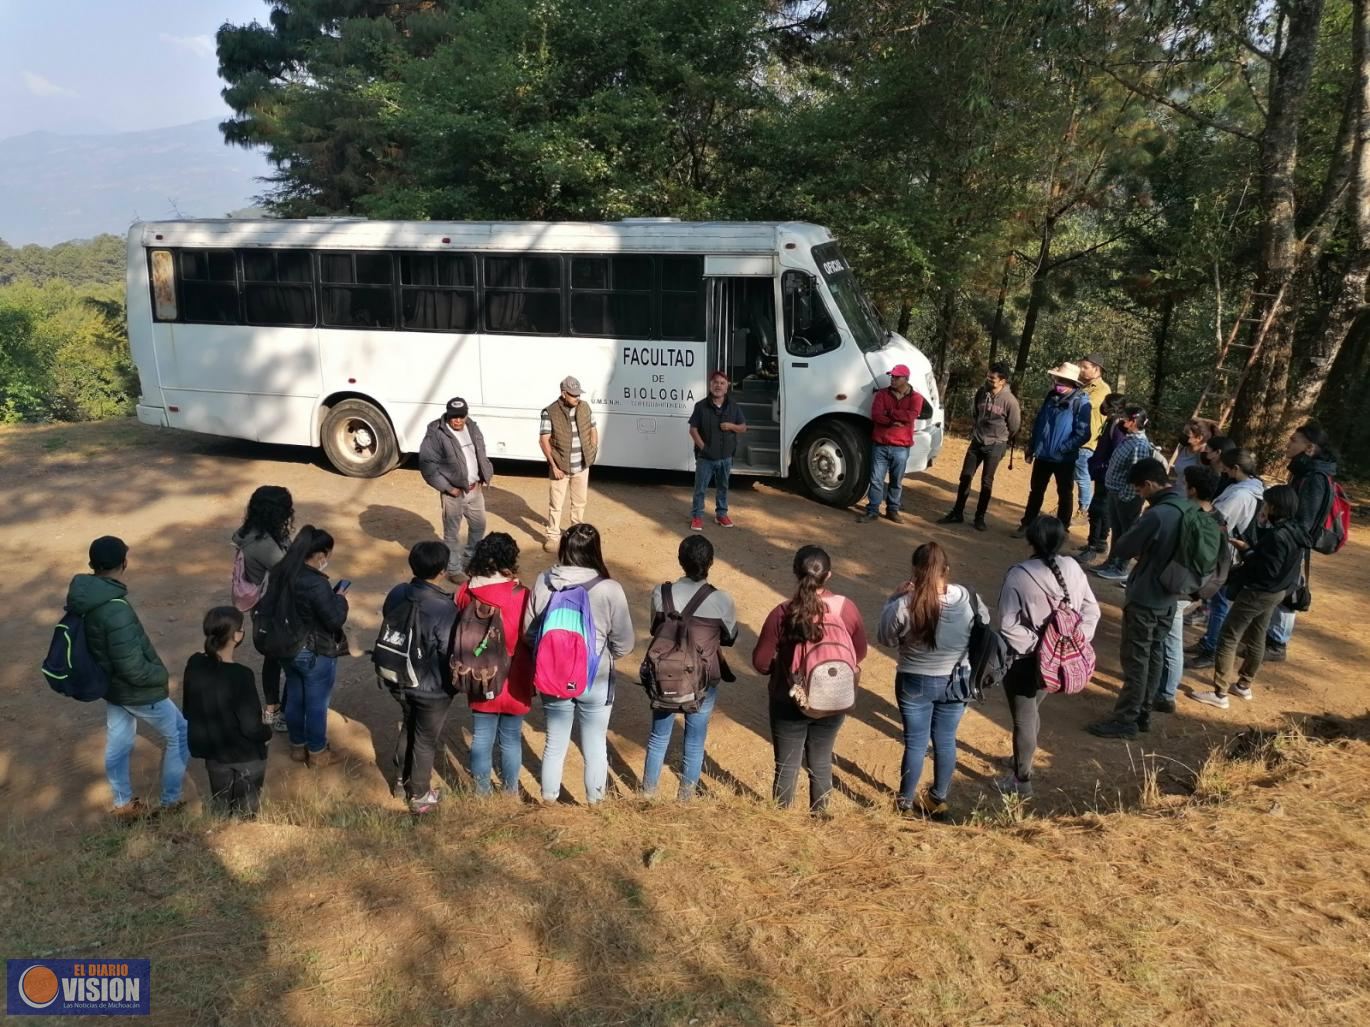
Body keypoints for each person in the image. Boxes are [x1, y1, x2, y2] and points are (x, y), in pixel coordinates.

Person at [68, 536, 187, 818]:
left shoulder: (86, 598)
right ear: (124, 563)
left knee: (119, 741)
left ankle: (123, 803)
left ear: (92, 564)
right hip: (134, 688)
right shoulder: (115, 609)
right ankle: (171, 801)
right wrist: (158, 676)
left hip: (111, 685)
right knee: (181, 733)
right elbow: (132, 666)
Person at [752, 545, 868, 813]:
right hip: (833, 696)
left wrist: (782, 668)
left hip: (788, 698)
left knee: (787, 764)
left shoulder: (782, 613)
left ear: (795, 572)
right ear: (828, 576)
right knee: (821, 759)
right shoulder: (845, 608)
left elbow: (760, 662)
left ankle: (781, 817)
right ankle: (821, 813)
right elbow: (858, 653)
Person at [526, 524, 635, 805]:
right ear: (595, 550)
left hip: (552, 673)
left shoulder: (543, 580)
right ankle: (595, 804)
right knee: (595, 745)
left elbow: (528, 631)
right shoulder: (610, 588)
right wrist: (606, 654)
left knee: (554, 743)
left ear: (563, 548)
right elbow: (625, 642)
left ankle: (549, 800)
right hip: (594, 677)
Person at [877, 542, 987, 817]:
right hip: (957, 679)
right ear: (946, 570)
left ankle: (904, 801)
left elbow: (886, 638)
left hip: (915, 680)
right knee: (946, 739)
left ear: (914, 572)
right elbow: (983, 626)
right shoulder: (968, 598)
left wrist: (892, 598)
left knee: (915, 741)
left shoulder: (905, 604)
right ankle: (938, 799)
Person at [997, 517, 1100, 797]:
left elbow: (1008, 625)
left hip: (1025, 660)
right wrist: (1072, 640)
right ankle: (1021, 760)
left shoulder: (1019, 574)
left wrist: (1037, 646)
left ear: (1030, 540)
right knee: (1032, 711)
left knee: (1024, 718)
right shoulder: (1073, 568)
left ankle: (1022, 781)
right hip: (1060, 660)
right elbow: (1092, 611)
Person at [1086, 459, 1188, 739]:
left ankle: (1126, 719)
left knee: (1136, 659)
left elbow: (1124, 546)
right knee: (1155, 653)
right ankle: (1143, 712)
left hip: (1146, 594)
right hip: (1171, 594)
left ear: (1150, 484)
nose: (1140, 495)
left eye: (1140, 489)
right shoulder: (1187, 506)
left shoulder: (1158, 515)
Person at [641, 535, 739, 799]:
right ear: (711, 562)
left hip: (665, 676)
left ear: (680, 561)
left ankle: (648, 794)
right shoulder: (722, 600)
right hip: (702, 679)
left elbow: (655, 627)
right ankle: (685, 797)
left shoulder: (661, 593)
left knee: (658, 737)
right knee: (694, 742)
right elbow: (730, 637)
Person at [1189, 485, 1305, 708]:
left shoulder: (1278, 536)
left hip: (1258, 592)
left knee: (1228, 636)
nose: (1263, 508)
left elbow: (1266, 570)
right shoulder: (1295, 530)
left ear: (1276, 507)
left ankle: (1220, 693)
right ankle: (1244, 685)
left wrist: (1246, 551)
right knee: (1257, 635)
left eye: (1267, 504)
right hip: (1277, 592)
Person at [382, 541, 459, 813]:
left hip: (397, 677)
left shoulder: (398, 592)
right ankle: (420, 796)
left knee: (409, 724)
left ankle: (400, 782)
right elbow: (447, 647)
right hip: (430, 687)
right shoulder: (444, 607)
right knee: (425, 739)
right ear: (441, 570)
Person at [263, 526, 349, 767]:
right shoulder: (315, 584)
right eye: (328, 554)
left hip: (286, 648)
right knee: (316, 704)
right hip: (314, 651)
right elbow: (333, 619)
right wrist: (340, 599)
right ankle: (318, 752)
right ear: (320, 555)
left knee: (295, 698)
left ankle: (298, 747)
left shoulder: (281, 572)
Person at [461, 533, 534, 798]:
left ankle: (481, 792)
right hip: (515, 675)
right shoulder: (522, 594)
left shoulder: (466, 591)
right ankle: (510, 792)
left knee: (482, 735)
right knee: (511, 738)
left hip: (479, 673)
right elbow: (527, 635)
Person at [183, 606, 271, 817]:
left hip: (214, 754)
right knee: (246, 812)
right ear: (236, 636)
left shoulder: (194, 664)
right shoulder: (241, 675)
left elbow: (188, 709)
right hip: (246, 755)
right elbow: (251, 727)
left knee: (220, 808)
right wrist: (267, 730)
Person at [1265, 422, 1339, 661]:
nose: (1288, 444)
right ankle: (1271, 637)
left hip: (1294, 541)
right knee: (1282, 584)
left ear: (1309, 448)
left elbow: (1306, 519)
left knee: (1289, 589)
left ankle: (1277, 643)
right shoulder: (1304, 471)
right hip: (1289, 536)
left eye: (1293, 440)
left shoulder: (1315, 477)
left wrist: (1284, 533)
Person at [1188, 449, 1265, 669]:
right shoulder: (1245, 487)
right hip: (1225, 551)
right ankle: (1208, 641)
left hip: (1226, 555)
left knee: (1219, 602)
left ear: (1236, 469)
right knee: (1215, 601)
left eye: (1225, 466)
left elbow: (1218, 520)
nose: (1221, 469)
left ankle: (1212, 648)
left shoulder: (1241, 495)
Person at [1156, 465, 1222, 713]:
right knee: (1167, 637)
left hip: (1177, 587)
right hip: (1197, 587)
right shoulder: (1218, 518)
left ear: (1192, 489)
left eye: (1184, 483)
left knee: (1171, 640)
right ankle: (1163, 688)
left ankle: (1166, 694)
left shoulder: (1187, 516)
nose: (1180, 487)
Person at [231, 485, 294, 733]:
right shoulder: (264, 544)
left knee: (273, 658)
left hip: (261, 609)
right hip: (274, 609)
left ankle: (272, 710)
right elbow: (288, 570)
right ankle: (280, 711)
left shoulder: (251, 532)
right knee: (286, 656)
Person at [1012, 363, 1092, 537]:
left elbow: (1084, 434)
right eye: (1058, 379)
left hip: (1064, 459)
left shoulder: (1081, 401)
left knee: (1064, 493)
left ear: (1073, 383)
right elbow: (1040, 423)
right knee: (1036, 491)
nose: (1058, 382)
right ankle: (1027, 524)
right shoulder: (1051, 397)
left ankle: (1062, 529)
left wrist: (1063, 449)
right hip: (1042, 455)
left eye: (1063, 380)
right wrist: (1032, 446)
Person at [938, 362, 1021, 530]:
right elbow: (976, 412)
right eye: (988, 376)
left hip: (996, 445)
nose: (988, 379)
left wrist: (1000, 439)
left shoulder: (1010, 401)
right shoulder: (982, 393)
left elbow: (1014, 426)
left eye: (993, 378)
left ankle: (979, 517)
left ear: (1002, 381)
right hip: (978, 440)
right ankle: (957, 512)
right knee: (965, 476)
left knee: (986, 482)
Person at [419, 397, 494, 580]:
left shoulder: (473, 427)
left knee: (478, 526)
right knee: (452, 533)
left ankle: (470, 560)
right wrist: (447, 488)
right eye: (454, 416)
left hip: (474, 489)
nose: (458, 420)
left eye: (461, 416)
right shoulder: (437, 432)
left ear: (466, 415)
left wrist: (485, 473)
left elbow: (480, 452)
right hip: (453, 492)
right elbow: (428, 465)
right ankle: (453, 569)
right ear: (447, 415)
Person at [1093, 404, 1155, 581]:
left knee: (1126, 532)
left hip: (1126, 497)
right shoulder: (1130, 439)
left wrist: (1126, 495)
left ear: (1133, 421)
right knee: (1117, 530)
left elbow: (1137, 475)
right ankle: (1111, 562)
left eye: (1124, 418)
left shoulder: (1140, 445)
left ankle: (1121, 567)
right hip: (1116, 493)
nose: (1120, 420)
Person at [858, 363, 926, 524]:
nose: (893, 379)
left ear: (906, 379)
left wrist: (888, 413)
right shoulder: (882, 394)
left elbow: (911, 416)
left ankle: (892, 509)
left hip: (901, 447)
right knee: (876, 479)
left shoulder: (916, 398)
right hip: (881, 444)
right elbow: (876, 415)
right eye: (892, 376)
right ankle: (873, 509)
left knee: (896, 481)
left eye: (897, 377)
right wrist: (892, 421)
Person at [539, 376, 599, 553]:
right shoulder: (550, 412)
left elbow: (593, 429)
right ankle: (553, 535)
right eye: (573, 395)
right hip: (561, 468)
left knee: (580, 502)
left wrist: (593, 450)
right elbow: (544, 440)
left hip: (582, 465)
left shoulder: (585, 407)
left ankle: (576, 534)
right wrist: (554, 467)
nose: (577, 398)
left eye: (578, 394)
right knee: (556, 504)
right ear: (564, 393)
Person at [687, 371, 748, 531]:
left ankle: (721, 514)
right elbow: (693, 430)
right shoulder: (700, 406)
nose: (718, 386)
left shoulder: (734, 407)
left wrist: (731, 426)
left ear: (727, 387)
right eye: (715, 382)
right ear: (710, 385)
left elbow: (743, 427)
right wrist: (703, 449)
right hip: (706, 457)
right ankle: (697, 517)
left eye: (722, 383)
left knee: (723, 487)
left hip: (725, 457)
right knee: (700, 488)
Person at [1077, 393, 1126, 562]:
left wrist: (1102, 467)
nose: (1102, 406)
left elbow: (1116, 452)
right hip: (1103, 473)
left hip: (1106, 475)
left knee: (1097, 509)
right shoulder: (1111, 423)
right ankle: (1100, 542)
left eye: (1105, 403)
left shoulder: (1117, 426)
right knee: (1102, 509)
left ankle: (1093, 545)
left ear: (1113, 406)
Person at [1074, 353, 1112, 522]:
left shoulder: (1102, 389)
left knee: (1083, 476)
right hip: (1078, 438)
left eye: (1085, 367)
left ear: (1096, 369)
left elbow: (1084, 405)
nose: (1081, 370)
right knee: (1077, 475)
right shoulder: (1085, 387)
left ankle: (1084, 510)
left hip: (1088, 441)